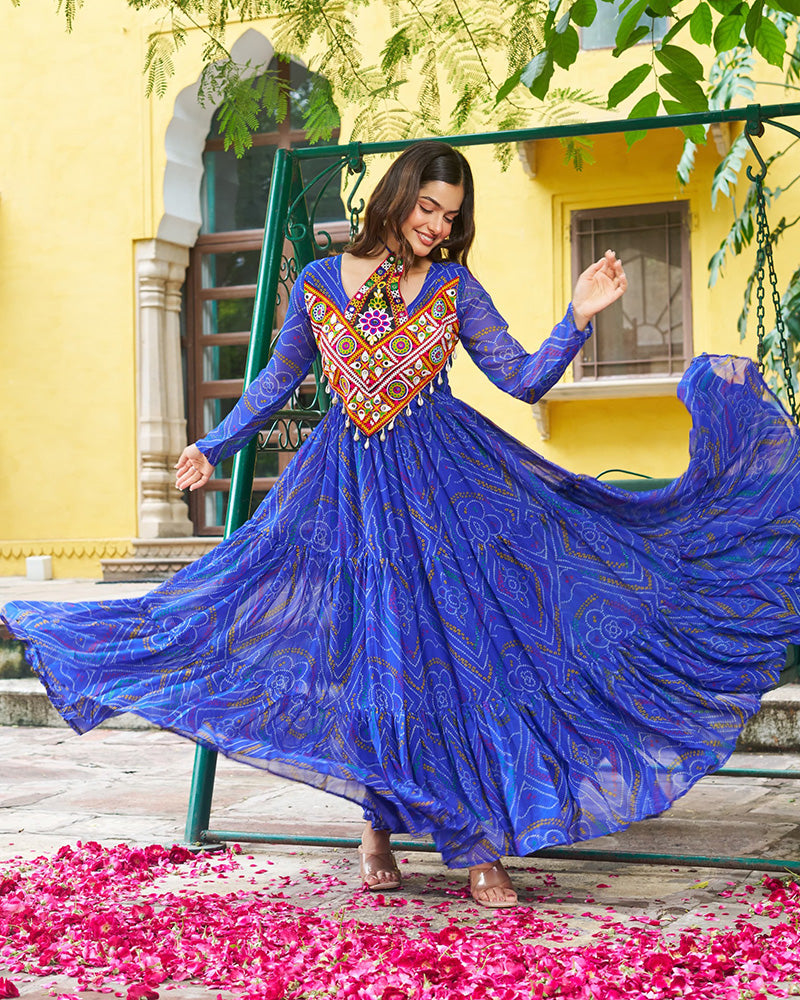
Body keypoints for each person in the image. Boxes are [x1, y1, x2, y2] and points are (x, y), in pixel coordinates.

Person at [3, 141, 800, 910]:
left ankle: (477, 845)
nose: (437, 225)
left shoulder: (453, 286)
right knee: (369, 656)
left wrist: (577, 318)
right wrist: (213, 446)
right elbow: (277, 380)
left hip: (443, 493)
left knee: (455, 659)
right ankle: (376, 825)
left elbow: (521, 379)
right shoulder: (319, 283)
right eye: (428, 207)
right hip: (346, 498)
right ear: (397, 196)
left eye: (451, 215)